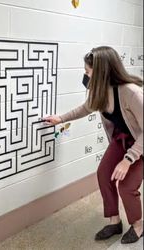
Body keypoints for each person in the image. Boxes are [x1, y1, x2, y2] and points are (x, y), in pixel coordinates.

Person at [43, 46, 143, 244]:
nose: (85, 76)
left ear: (101, 72)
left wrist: (128, 160)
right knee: (103, 173)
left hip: (140, 145)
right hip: (122, 139)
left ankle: (138, 224)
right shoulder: (100, 92)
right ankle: (114, 221)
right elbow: (85, 108)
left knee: (126, 186)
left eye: (88, 72)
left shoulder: (131, 93)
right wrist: (60, 118)